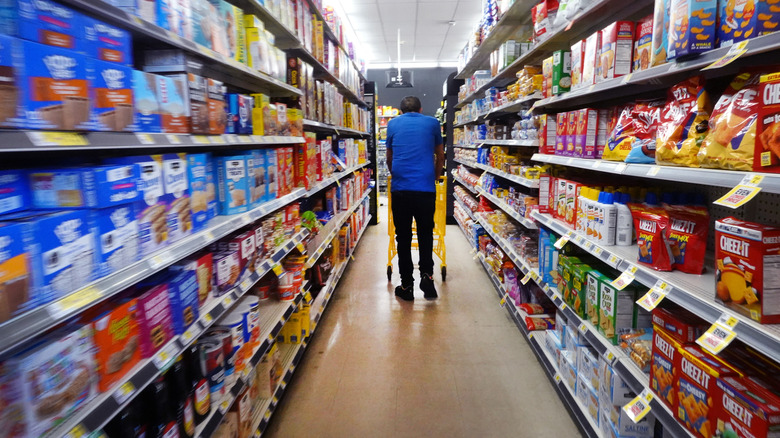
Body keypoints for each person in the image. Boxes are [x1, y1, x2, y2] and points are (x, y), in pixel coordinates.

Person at [386, 96, 445, 301]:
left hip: (401, 189)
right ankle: (427, 277)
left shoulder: (392, 123)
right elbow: (440, 155)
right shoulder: (433, 123)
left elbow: (389, 157)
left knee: (403, 237)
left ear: (401, 111)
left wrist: (396, 175)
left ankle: (406, 285)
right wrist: (435, 177)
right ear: (420, 109)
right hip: (425, 189)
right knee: (425, 234)